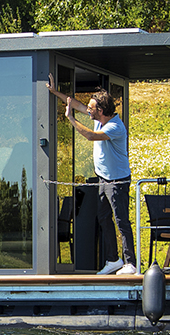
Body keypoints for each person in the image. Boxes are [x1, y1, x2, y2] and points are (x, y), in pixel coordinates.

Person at [47, 75, 138, 275]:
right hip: (104, 179)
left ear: (101, 111)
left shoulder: (114, 126)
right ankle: (113, 260)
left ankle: (130, 263)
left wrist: (70, 118)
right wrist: (56, 93)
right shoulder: (99, 118)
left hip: (118, 181)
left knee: (121, 220)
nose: (87, 109)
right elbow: (75, 103)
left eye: (91, 107)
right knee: (104, 218)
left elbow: (90, 136)